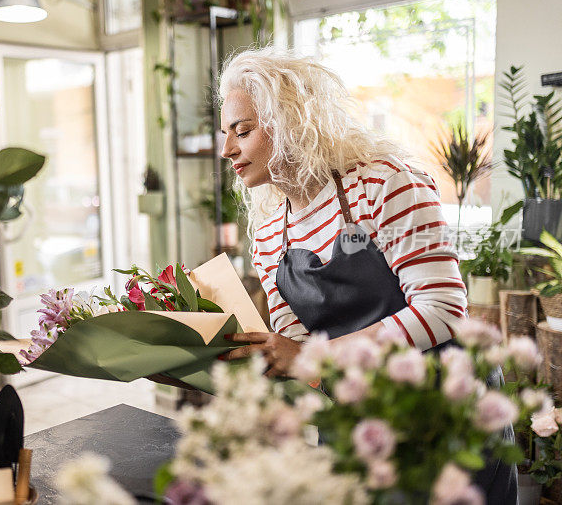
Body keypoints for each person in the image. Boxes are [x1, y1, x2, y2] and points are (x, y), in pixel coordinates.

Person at [216, 47, 516, 503]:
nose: (227, 150)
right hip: (361, 419)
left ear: (290, 121)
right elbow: (300, 352)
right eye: (225, 134)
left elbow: (443, 312)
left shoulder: (384, 183)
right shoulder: (268, 235)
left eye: (243, 131)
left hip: (445, 410)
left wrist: (315, 358)